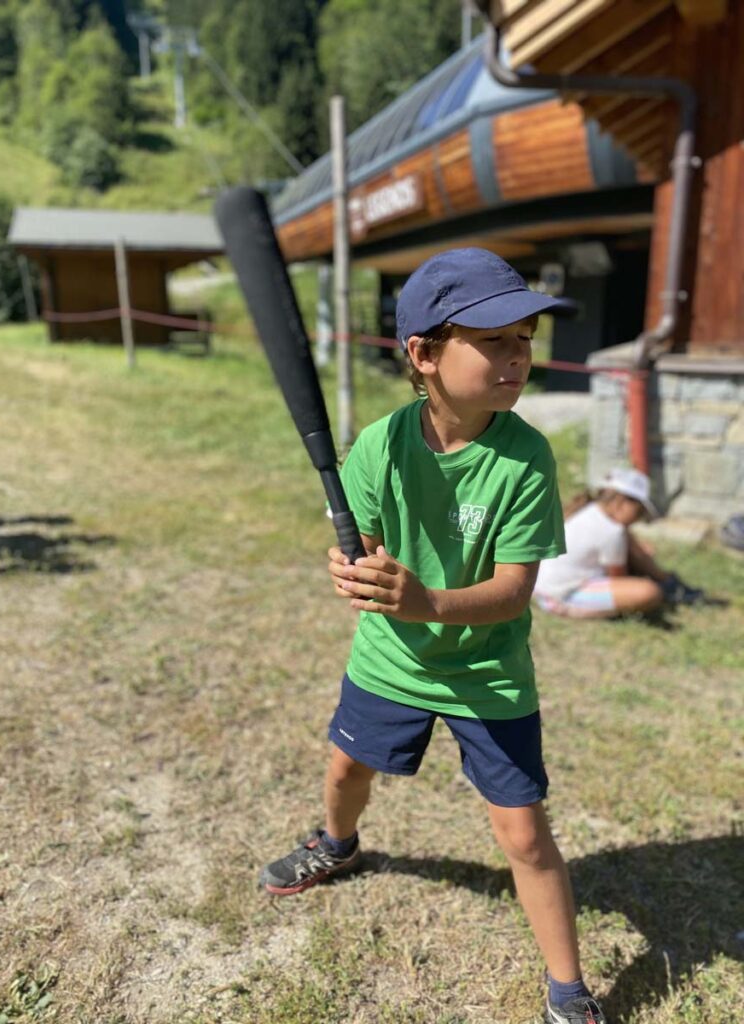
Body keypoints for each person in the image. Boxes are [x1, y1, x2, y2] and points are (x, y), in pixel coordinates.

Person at [260, 248, 608, 1024]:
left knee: (524, 835)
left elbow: (512, 592)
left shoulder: (525, 459)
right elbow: (361, 544)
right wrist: (353, 567)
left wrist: (424, 600)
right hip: (391, 658)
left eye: (524, 339)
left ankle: (567, 989)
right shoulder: (381, 445)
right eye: (494, 340)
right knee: (346, 767)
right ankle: (337, 843)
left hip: (487, 670)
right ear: (423, 354)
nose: (517, 357)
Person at [533, 467, 705, 619]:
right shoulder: (611, 531)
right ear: (621, 502)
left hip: (543, 587)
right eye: (639, 512)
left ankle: (666, 581)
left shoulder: (592, 511)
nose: (638, 519)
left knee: (631, 544)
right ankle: (667, 584)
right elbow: (617, 578)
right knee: (649, 592)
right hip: (561, 596)